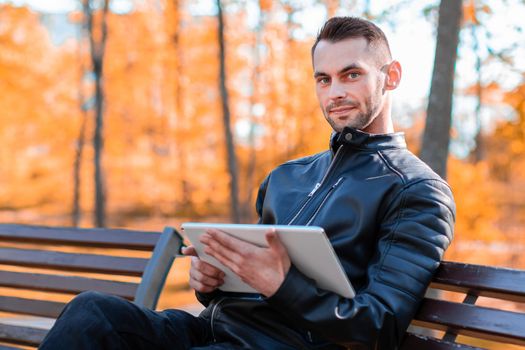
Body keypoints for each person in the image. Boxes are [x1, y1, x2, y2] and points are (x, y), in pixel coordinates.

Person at [39, 16, 455, 350]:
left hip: (284, 344)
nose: (335, 92)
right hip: (214, 332)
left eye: (351, 75)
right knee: (93, 312)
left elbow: (379, 327)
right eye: (323, 79)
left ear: (392, 76)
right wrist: (212, 281)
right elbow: (244, 283)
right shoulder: (286, 177)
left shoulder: (415, 191)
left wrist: (281, 284)